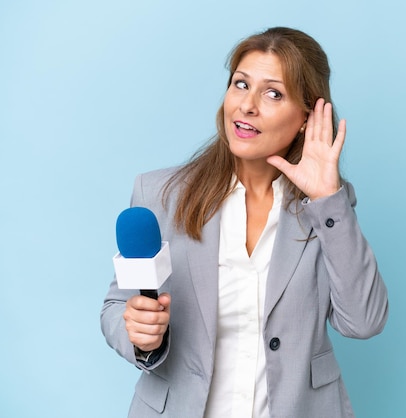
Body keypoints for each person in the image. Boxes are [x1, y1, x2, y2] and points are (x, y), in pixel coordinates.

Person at [101, 26, 388, 418]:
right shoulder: (161, 194)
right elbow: (118, 304)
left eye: (273, 93)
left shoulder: (327, 209)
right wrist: (138, 333)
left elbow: (364, 321)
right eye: (240, 84)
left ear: (307, 117)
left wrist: (327, 199)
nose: (247, 106)